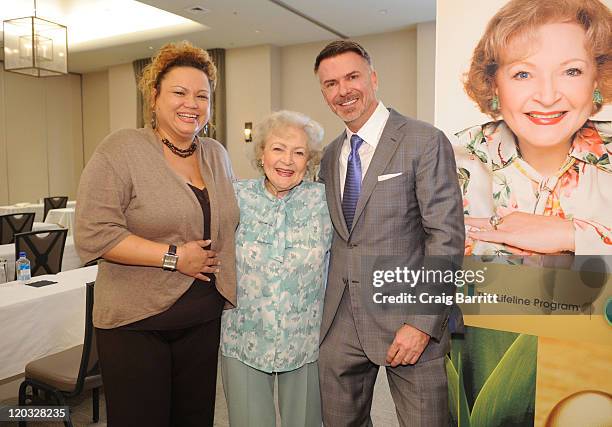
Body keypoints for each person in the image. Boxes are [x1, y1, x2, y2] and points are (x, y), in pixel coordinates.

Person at [74, 41, 238, 426]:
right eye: (179, 92)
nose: (191, 104)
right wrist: (174, 257)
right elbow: (93, 233)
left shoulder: (216, 153)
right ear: (154, 97)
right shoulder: (121, 149)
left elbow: (233, 222)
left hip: (202, 319)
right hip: (136, 324)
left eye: (202, 95)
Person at [314, 40, 465, 426]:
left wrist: (421, 322)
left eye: (352, 77)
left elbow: (445, 237)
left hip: (408, 319)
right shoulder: (330, 155)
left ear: (374, 78)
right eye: (331, 83)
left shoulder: (423, 140)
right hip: (341, 324)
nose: (343, 90)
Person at [457, 0, 612, 256]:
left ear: (597, 79)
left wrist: (570, 235)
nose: (548, 96)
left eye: (571, 71)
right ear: (494, 84)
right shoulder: (444, 164)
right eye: (523, 74)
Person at [220, 110, 332, 427]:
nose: (287, 161)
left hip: (306, 342)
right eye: (278, 148)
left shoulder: (325, 202)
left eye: (299, 153)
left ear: (309, 160)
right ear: (261, 153)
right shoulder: (235, 197)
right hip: (244, 338)